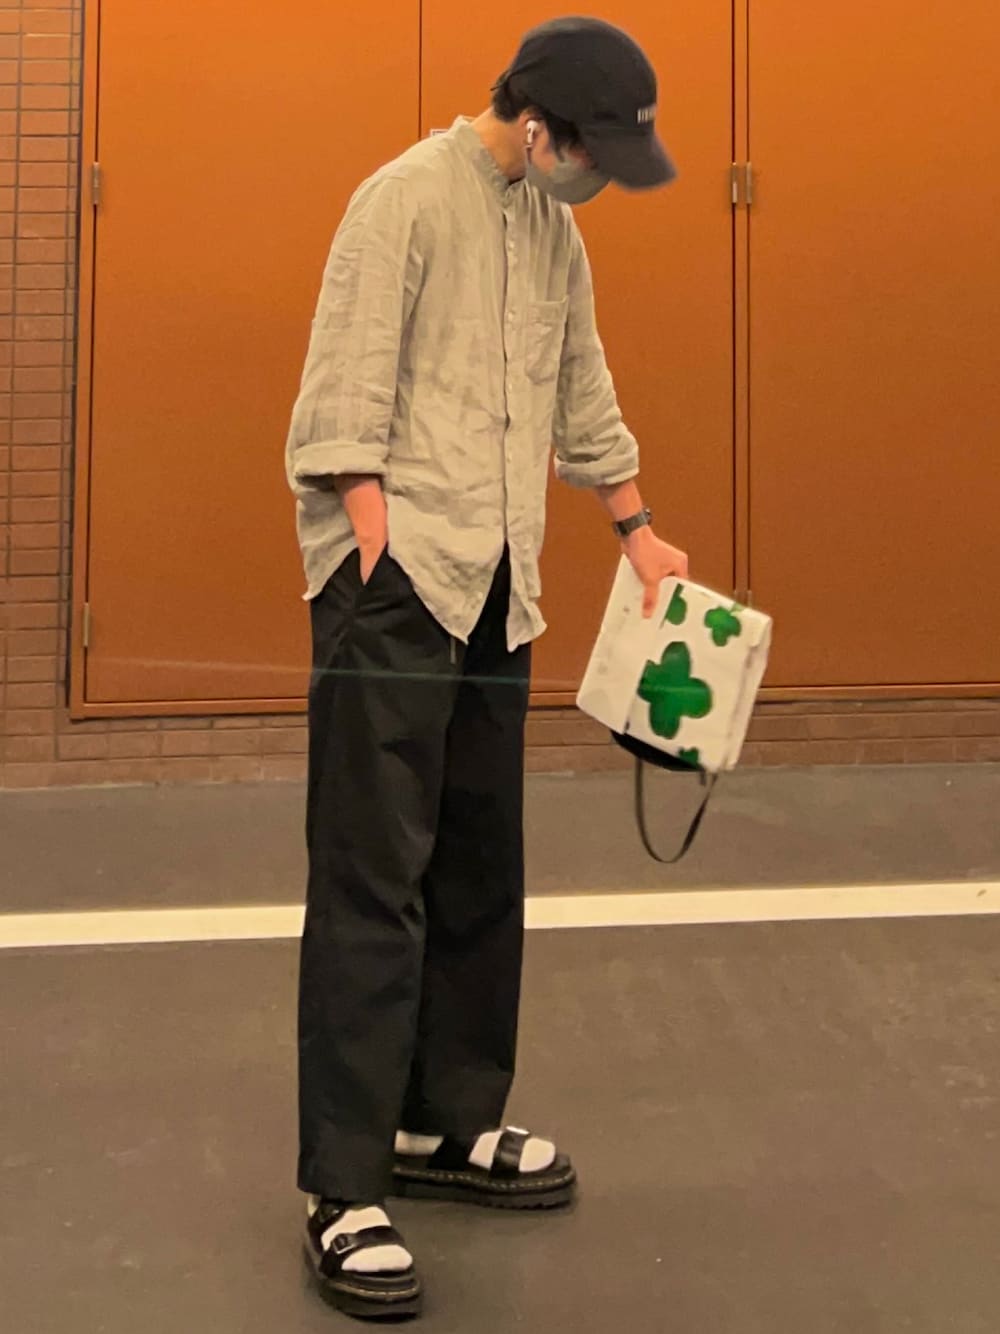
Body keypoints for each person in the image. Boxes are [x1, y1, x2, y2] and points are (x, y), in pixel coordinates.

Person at [286, 15, 689, 1321]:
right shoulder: (403, 202)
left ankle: (444, 1121)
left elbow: (583, 390)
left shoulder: (554, 234)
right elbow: (339, 398)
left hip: (500, 591)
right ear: (537, 124)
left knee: (476, 863)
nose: (598, 177)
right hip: (397, 589)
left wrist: (634, 528)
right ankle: (343, 1186)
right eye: (594, 152)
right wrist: (375, 541)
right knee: (373, 880)